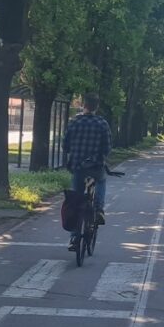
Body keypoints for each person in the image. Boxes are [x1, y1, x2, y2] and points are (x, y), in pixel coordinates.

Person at [63, 93, 112, 248]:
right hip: (96, 166)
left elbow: (65, 145)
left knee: (76, 200)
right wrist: (101, 157)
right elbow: (107, 147)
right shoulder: (102, 123)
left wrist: (74, 153)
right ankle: (98, 209)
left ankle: (74, 238)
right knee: (101, 181)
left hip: (78, 167)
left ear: (84, 104)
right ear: (97, 106)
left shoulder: (74, 122)